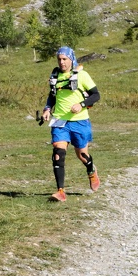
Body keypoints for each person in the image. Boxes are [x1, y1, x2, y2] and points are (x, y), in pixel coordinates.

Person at [40, 46, 101, 202]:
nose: (62, 62)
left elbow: (96, 95)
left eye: (64, 59)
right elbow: (52, 96)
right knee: (58, 154)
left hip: (79, 121)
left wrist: (81, 104)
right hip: (60, 121)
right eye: (59, 59)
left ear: (71, 59)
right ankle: (60, 191)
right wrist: (47, 109)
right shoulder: (55, 76)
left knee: (82, 155)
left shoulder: (82, 75)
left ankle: (91, 171)